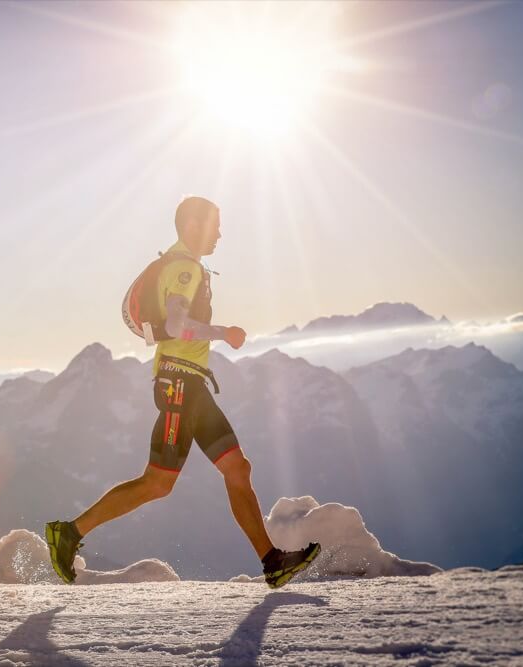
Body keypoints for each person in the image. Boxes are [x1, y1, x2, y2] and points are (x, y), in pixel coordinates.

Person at [46, 196, 320, 588]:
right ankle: (68, 533)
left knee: (237, 468)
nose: (220, 235)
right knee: (158, 482)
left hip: (191, 386)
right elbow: (176, 326)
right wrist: (223, 333)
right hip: (179, 385)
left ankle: (272, 560)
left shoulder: (181, 265)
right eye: (215, 226)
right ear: (193, 225)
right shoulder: (185, 269)